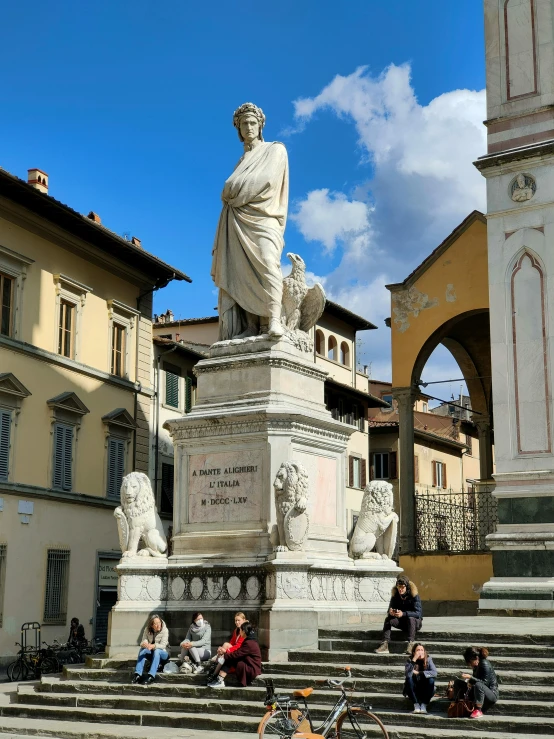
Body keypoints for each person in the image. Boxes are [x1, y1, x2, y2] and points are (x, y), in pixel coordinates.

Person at [211, 102, 289, 341]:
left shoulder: (275, 150)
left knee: (267, 263)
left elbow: (265, 181)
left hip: (264, 218)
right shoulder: (241, 161)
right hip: (237, 221)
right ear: (238, 129)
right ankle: (253, 326)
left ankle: (275, 318)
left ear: (260, 125)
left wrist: (231, 189)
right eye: (244, 123)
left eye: (252, 122)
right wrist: (232, 189)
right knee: (241, 272)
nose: (248, 127)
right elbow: (234, 186)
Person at [375, 575, 422, 655]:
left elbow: (418, 613)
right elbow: (390, 609)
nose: (400, 589)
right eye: (398, 587)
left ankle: (411, 644)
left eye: (402, 587)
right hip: (401, 622)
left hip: (415, 623)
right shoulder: (395, 595)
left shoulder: (414, 595)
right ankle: (384, 644)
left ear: (407, 587)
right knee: (388, 620)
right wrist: (391, 612)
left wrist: (403, 613)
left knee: (411, 618)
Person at [207, 621, 261, 689]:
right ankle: (218, 679)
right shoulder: (249, 640)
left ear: (244, 631)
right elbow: (238, 652)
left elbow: (238, 654)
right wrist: (226, 654)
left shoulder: (249, 643)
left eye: (241, 630)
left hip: (252, 668)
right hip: (249, 664)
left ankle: (219, 680)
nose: (240, 631)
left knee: (230, 658)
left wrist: (225, 654)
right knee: (230, 658)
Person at [206, 611, 247, 679]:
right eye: (235, 620)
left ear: (244, 620)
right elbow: (232, 642)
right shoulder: (236, 630)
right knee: (223, 646)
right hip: (234, 650)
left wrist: (226, 650)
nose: (237, 622)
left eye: (238, 620)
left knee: (225, 645)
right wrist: (222, 649)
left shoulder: (245, 630)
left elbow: (239, 645)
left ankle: (215, 666)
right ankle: (216, 665)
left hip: (241, 652)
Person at [461, 646, 499, 719]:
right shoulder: (476, 666)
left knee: (479, 685)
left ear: (475, 658)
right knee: (458, 683)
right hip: (480, 691)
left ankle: (478, 710)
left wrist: (471, 678)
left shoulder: (485, 664)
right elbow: (477, 679)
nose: (469, 665)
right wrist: (470, 682)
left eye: (470, 662)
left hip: (491, 694)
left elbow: (484, 683)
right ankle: (459, 703)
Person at [132, 614, 169, 685]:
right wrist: (144, 644)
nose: (158, 625)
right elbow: (144, 640)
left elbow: (163, 645)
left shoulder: (165, 630)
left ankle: (151, 676)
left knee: (157, 651)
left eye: (159, 623)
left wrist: (153, 646)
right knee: (142, 650)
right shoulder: (147, 629)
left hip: (164, 653)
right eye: (156, 624)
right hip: (152, 653)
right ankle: (138, 675)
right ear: (152, 625)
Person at [403, 643, 437, 714]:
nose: (420, 652)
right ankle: (416, 704)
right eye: (418, 650)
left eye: (422, 650)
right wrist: (414, 659)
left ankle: (424, 704)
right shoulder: (410, 660)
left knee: (431, 680)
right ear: (414, 652)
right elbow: (408, 674)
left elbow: (434, 673)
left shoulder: (429, 659)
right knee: (409, 679)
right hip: (413, 688)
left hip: (425, 688)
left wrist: (419, 673)